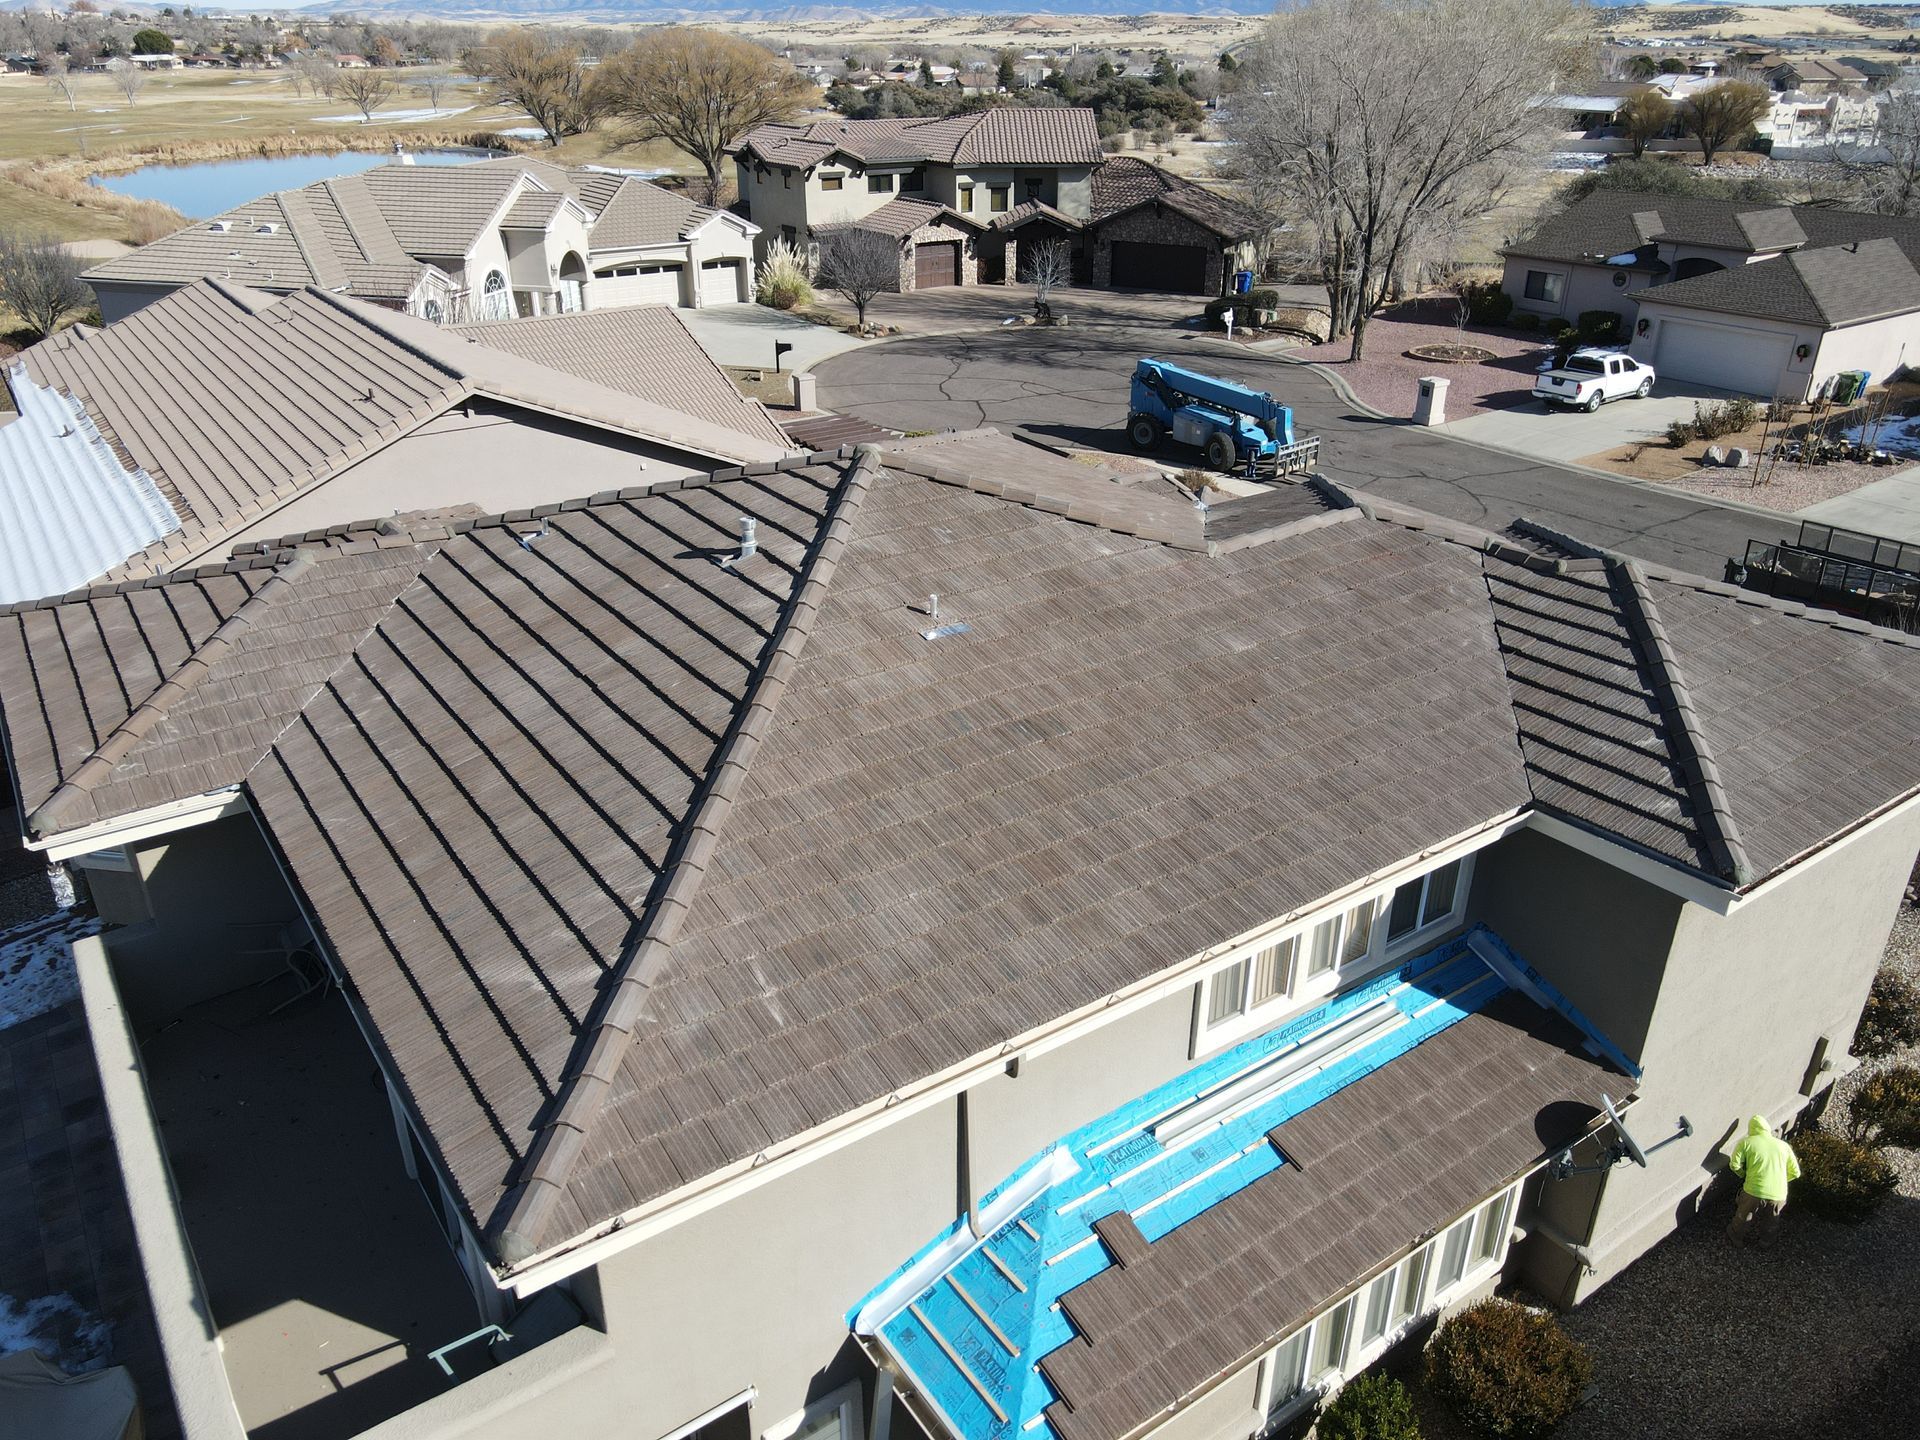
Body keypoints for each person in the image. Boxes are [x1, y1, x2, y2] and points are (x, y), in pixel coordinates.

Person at [1727, 1114, 1800, 1247]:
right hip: (1778, 1194)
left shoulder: (1746, 1142)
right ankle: (1765, 1242)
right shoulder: (1784, 1146)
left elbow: (1734, 1165)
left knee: (1744, 1217)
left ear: (1751, 1129)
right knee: (1771, 1221)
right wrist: (1781, 1181)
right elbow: (1796, 1172)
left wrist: (1743, 1175)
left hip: (1753, 1190)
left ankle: (1736, 1238)